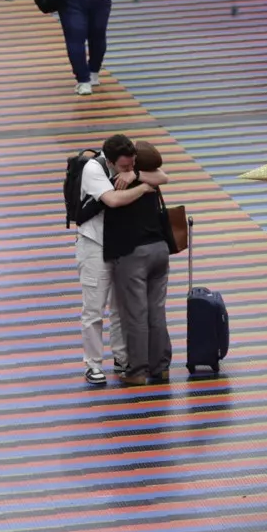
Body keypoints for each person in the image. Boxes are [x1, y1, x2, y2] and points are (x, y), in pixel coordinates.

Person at [75, 134, 168, 386]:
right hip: (94, 245)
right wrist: (143, 187)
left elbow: (163, 177)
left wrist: (135, 176)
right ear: (111, 162)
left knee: (120, 308)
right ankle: (93, 364)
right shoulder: (93, 169)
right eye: (125, 167)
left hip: (120, 246)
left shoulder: (130, 165)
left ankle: (122, 358)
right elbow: (113, 200)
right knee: (94, 308)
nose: (129, 169)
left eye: (132, 164)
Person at [105, 139, 175, 387]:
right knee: (156, 311)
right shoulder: (151, 178)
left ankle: (137, 370)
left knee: (135, 314)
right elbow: (163, 176)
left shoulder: (118, 181)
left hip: (133, 253)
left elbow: (111, 201)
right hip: (160, 250)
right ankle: (161, 367)